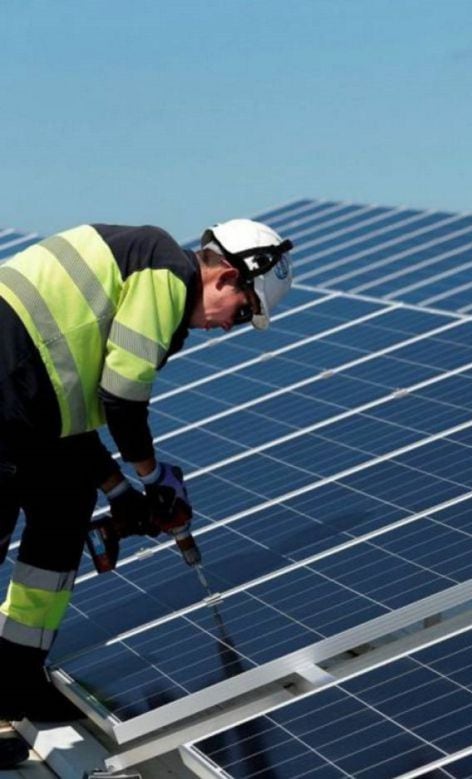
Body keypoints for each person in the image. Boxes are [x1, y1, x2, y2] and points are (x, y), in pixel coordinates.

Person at [0, 219, 292, 764]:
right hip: (6, 367)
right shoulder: (166, 272)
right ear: (226, 276)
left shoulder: (148, 284)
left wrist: (120, 490)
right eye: (245, 310)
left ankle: (13, 676)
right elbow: (122, 398)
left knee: (64, 506)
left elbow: (74, 412)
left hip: (29, 392)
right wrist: (154, 479)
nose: (232, 327)